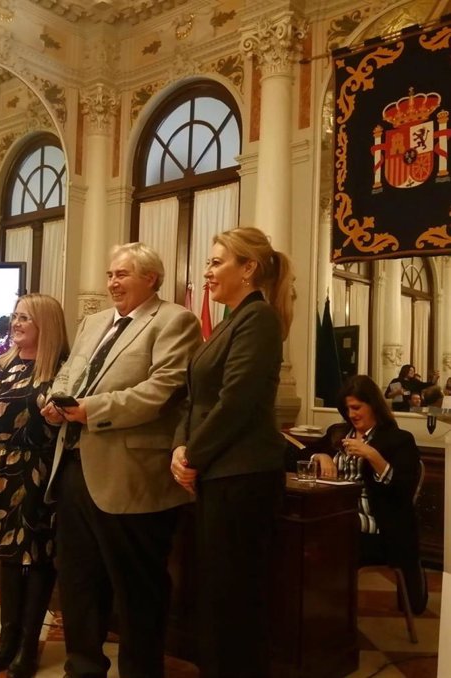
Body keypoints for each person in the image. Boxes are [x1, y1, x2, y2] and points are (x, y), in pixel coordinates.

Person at [41, 242, 202, 678]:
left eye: (122, 274)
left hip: (133, 478)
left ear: (151, 278)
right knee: (77, 580)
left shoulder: (175, 321)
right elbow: (68, 374)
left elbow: (164, 388)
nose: (112, 282)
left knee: (138, 590)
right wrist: (54, 401)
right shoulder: (93, 322)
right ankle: (83, 666)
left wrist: (93, 409)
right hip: (74, 466)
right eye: (110, 274)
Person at [170, 226, 295, 678]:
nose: (207, 271)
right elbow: (195, 395)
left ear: (249, 269)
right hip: (217, 473)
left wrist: (193, 455)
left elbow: (236, 401)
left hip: (241, 478)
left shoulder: (258, 319)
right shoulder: (231, 320)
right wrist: (181, 448)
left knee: (235, 601)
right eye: (208, 262)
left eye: (217, 261)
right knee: (217, 598)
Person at [0, 294, 69, 678]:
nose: (15, 323)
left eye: (24, 317)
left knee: (39, 560)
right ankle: (6, 641)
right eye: (14, 316)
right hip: (3, 472)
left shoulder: (62, 368)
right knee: (9, 560)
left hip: (44, 474)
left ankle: (28, 646)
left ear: (45, 324)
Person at [307, 374, 428, 615]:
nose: (351, 414)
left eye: (356, 407)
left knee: (323, 542)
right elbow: (298, 454)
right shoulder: (338, 433)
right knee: (302, 536)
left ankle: (333, 617)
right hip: (336, 515)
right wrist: (319, 456)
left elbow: (402, 490)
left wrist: (371, 454)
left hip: (378, 525)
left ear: (372, 405)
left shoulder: (398, 439)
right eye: (347, 409)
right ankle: (314, 615)